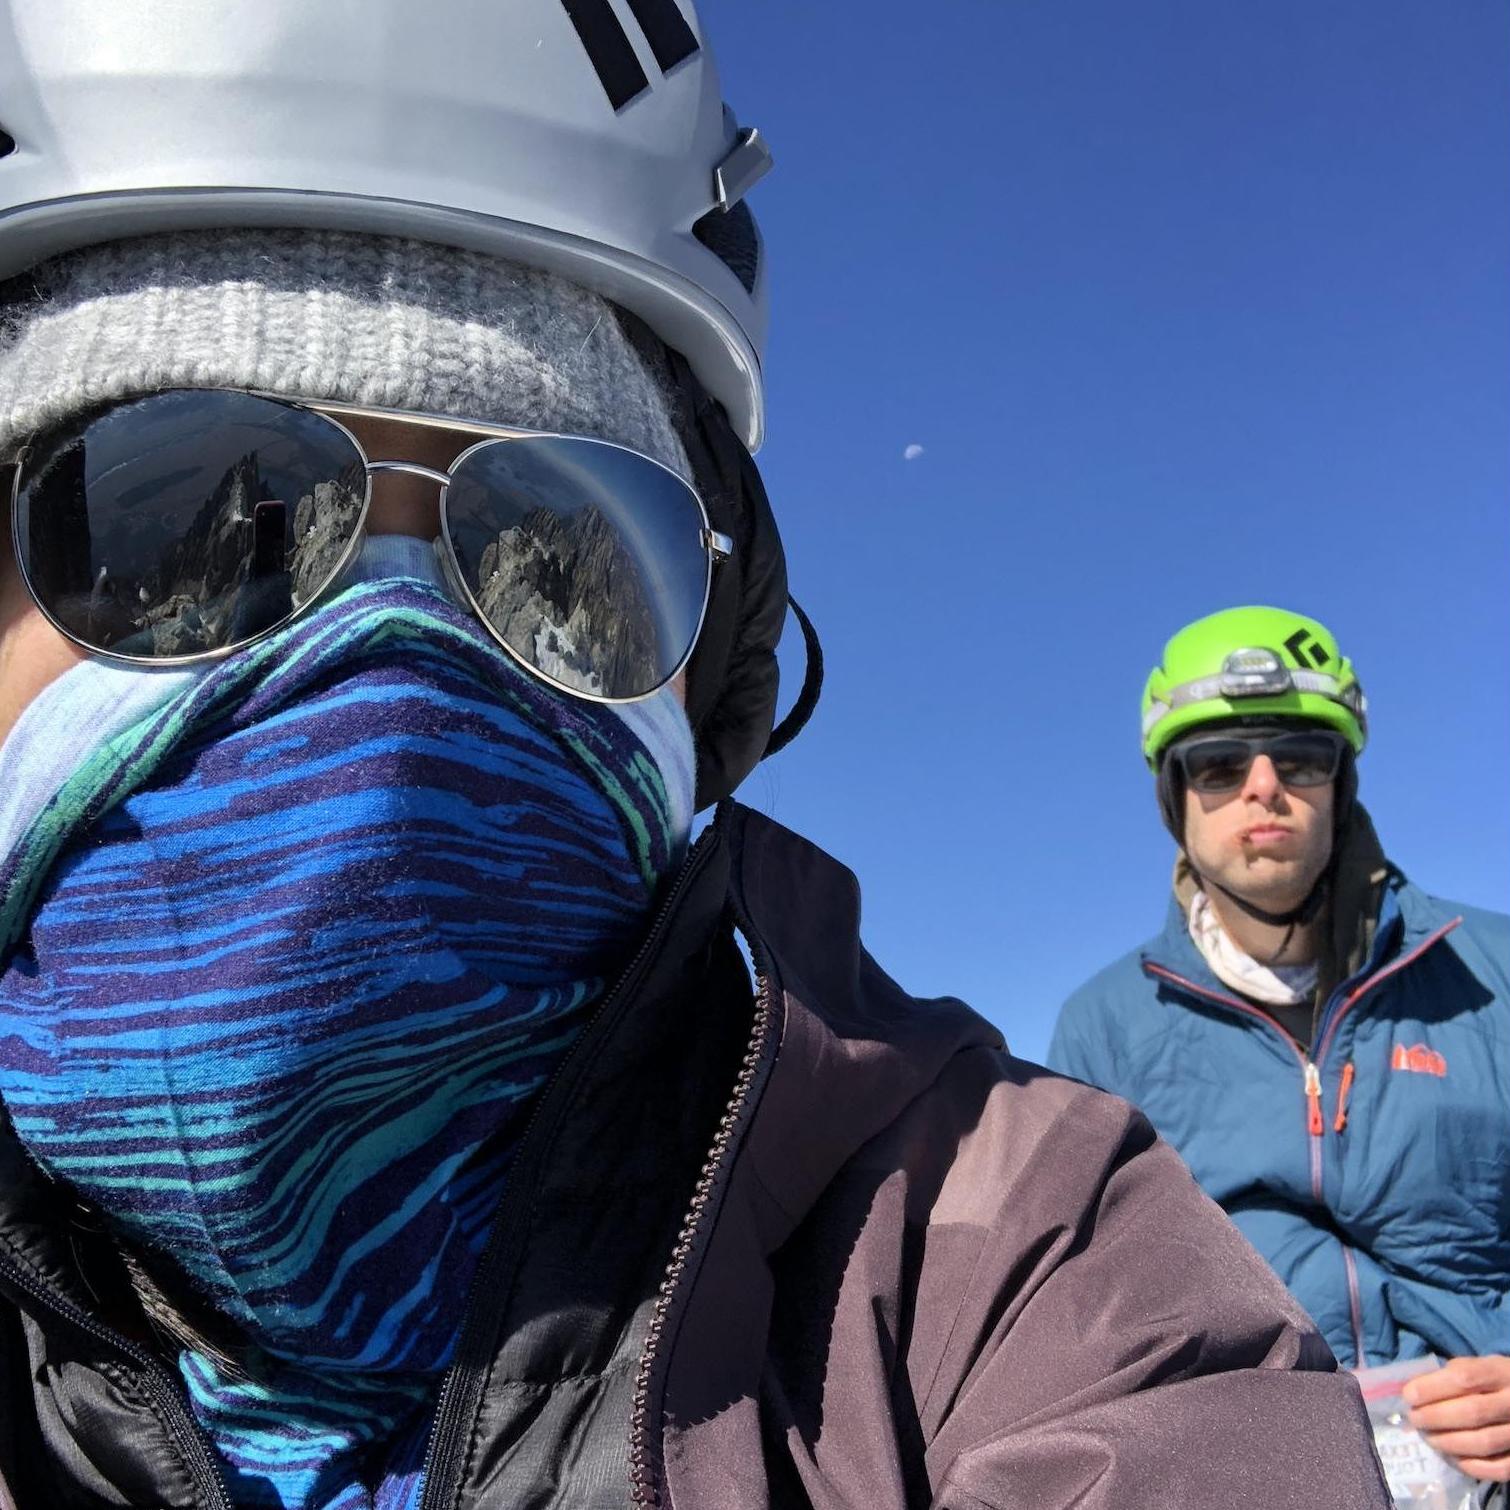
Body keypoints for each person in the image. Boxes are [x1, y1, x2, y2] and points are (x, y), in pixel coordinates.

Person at [0, 5, 1390, 1507]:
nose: (395, 665)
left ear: (707, 676)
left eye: (561, 565)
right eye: (181, 532)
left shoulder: (1007, 1229)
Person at [1050, 605, 1510, 1489]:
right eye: (1220, 765)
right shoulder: (1101, 1031)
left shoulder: (1489, 973)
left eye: (1300, 758)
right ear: (1175, 798)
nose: (1264, 786)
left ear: (1342, 783)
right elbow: (1079, 1314)